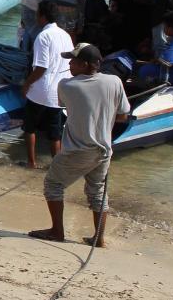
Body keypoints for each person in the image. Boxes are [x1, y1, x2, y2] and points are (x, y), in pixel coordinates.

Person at [29, 43, 130, 247]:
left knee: (53, 184)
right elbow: (122, 116)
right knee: (97, 191)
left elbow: (63, 104)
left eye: (73, 61)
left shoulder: (67, 85)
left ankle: (57, 231)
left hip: (78, 150)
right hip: (103, 149)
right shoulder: (115, 82)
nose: (70, 64)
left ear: (85, 64)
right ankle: (98, 238)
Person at [21, 0, 74, 168]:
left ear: (42, 16)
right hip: (59, 91)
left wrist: (27, 84)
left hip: (41, 89)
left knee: (30, 127)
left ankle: (31, 162)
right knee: (55, 132)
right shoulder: (65, 35)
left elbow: (41, 67)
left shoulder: (43, 36)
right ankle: (56, 166)